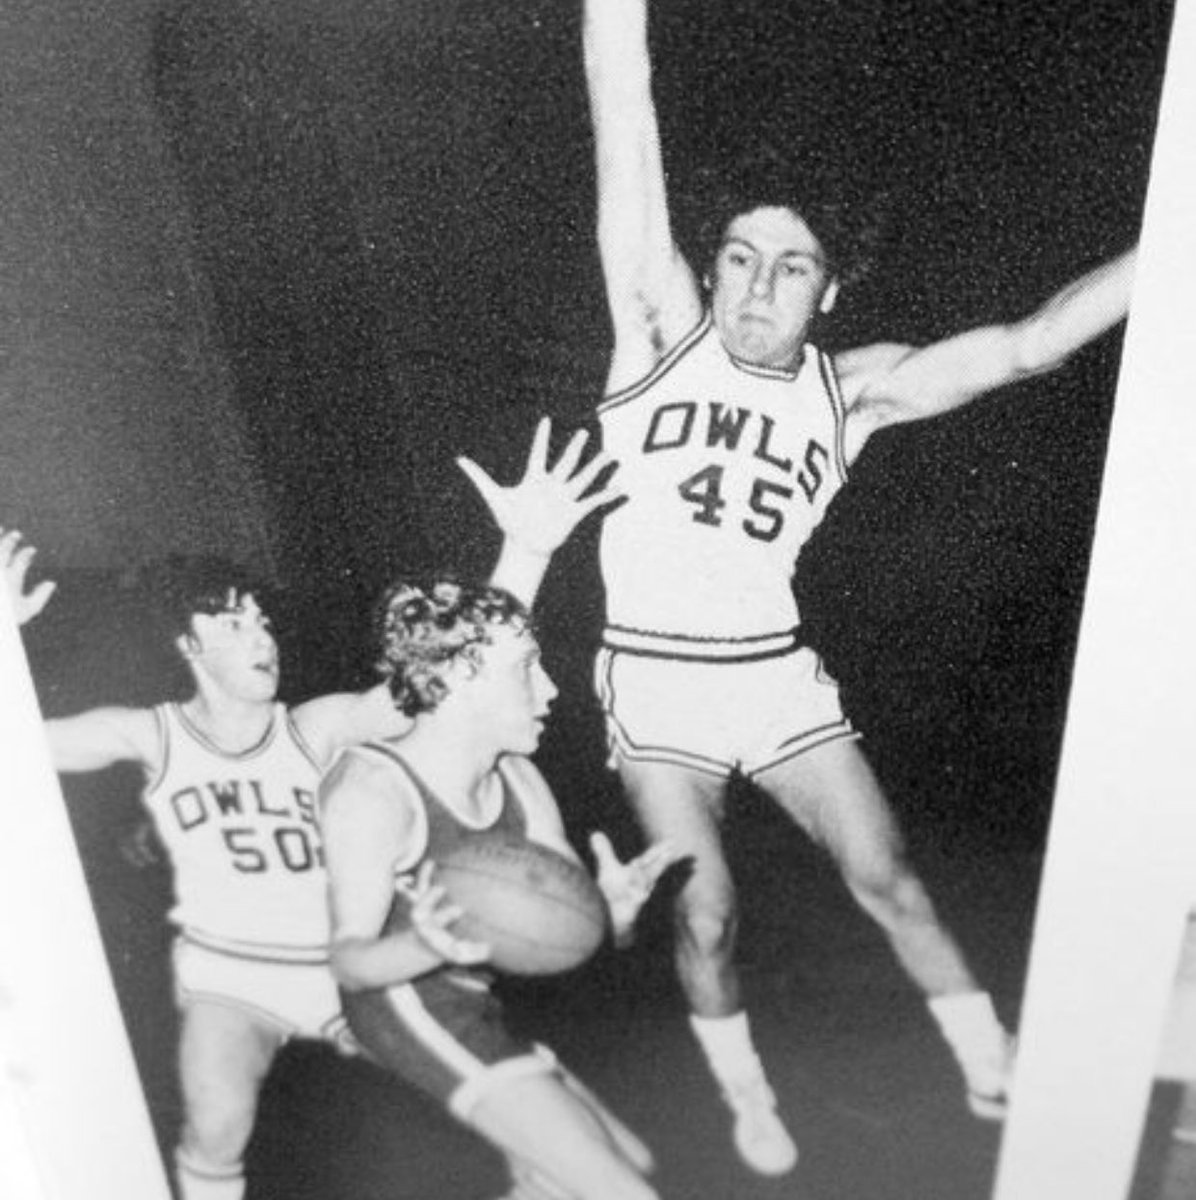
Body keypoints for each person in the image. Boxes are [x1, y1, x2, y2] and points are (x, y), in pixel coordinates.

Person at [581, 0, 1137, 1175]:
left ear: (828, 291)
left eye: (787, 268)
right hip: (657, 679)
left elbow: (1033, 342)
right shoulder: (656, 331)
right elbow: (621, 120)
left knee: (886, 876)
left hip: (771, 674)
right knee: (707, 911)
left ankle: (989, 1062)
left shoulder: (854, 392)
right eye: (736, 257)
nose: (752, 287)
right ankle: (743, 1091)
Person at [2, 418, 622, 1200]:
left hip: (351, 973)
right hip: (235, 971)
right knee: (220, 1118)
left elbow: (444, 685)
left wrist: (526, 551)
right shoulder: (149, 734)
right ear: (187, 644)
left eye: (261, 616)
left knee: (538, 1148)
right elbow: (22, 748)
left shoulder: (318, 727)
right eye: (231, 620)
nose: (261, 633)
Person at [319, 576, 677, 1200]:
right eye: (527, 668)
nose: (552, 688)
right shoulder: (371, 794)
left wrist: (612, 915)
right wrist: (427, 946)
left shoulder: (520, 779)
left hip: (470, 1003)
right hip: (400, 1005)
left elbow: (566, 937)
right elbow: (349, 964)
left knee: (620, 1163)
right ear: (457, 677)